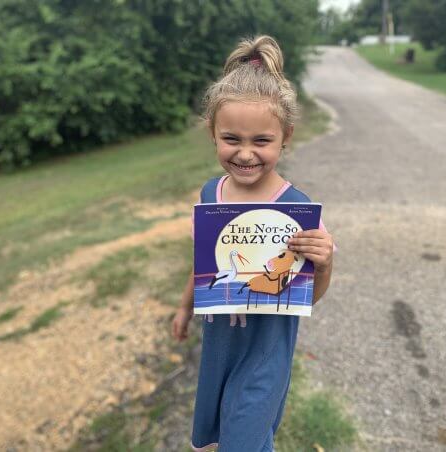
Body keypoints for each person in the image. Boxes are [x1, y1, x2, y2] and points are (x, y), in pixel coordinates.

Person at [171, 35, 334, 452]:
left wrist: (326, 262)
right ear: (213, 133)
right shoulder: (212, 194)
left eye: (261, 141)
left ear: (286, 136)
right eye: (232, 139)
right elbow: (204, 263)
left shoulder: (296, 209)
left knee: (243, 439)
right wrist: (185, 305)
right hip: (220, 343)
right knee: (225, 435)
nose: (245, 154)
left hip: (266, 351)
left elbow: (306, 297)